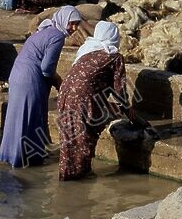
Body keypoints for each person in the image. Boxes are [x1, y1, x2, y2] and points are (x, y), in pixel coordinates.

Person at [0, 6, 83, 167]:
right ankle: (26, 159)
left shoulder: (45, 30)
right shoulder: (57, 36)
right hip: (30, 79)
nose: (74, 28)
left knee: (16, 117)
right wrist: (58, 80)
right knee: (31, 117)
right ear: (63, 21)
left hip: (17, 75)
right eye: (71, 23)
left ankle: (10, 156)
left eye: (77, 24)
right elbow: (46, 68)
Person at [57, 21, 136, 180]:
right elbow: (119, 90)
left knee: (69, 137)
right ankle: (80, 177)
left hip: (65, 95)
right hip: (83, 99)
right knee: (84, 137)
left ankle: (67, 175)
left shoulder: (87, 50)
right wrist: (128, 110)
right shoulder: (113, 57)